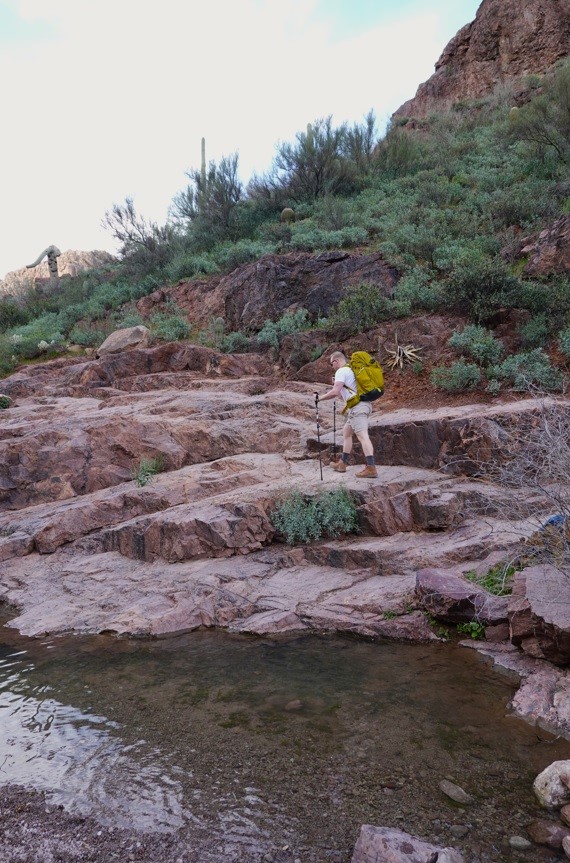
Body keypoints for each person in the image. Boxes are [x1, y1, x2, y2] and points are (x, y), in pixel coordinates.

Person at [319, 350, 378, 478]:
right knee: (347, 432)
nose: (332, 367)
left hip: (358, 407)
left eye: (331, 364)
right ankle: (342, 463)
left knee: (362, 436)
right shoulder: (351, 370)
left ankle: (371, 467)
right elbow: (341, 395)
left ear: (336, 361)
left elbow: (335, 392)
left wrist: (319, 399)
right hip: (360, 406)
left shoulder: (341, 371)